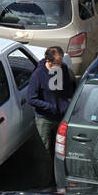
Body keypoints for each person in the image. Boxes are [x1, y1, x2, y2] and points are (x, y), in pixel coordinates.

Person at [27, 46, 76, 185]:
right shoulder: (38, 75)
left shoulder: (63, 69)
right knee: (44, 153)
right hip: (45, 120)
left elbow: (66, 88)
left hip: (61, 117)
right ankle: (45, 183)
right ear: (49, 61)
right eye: (58, 63)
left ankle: (59, 179)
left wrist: (67, 102)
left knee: (60, 150)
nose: (60, 65)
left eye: (61, 62)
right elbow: (31, 98)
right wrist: (50, 107)